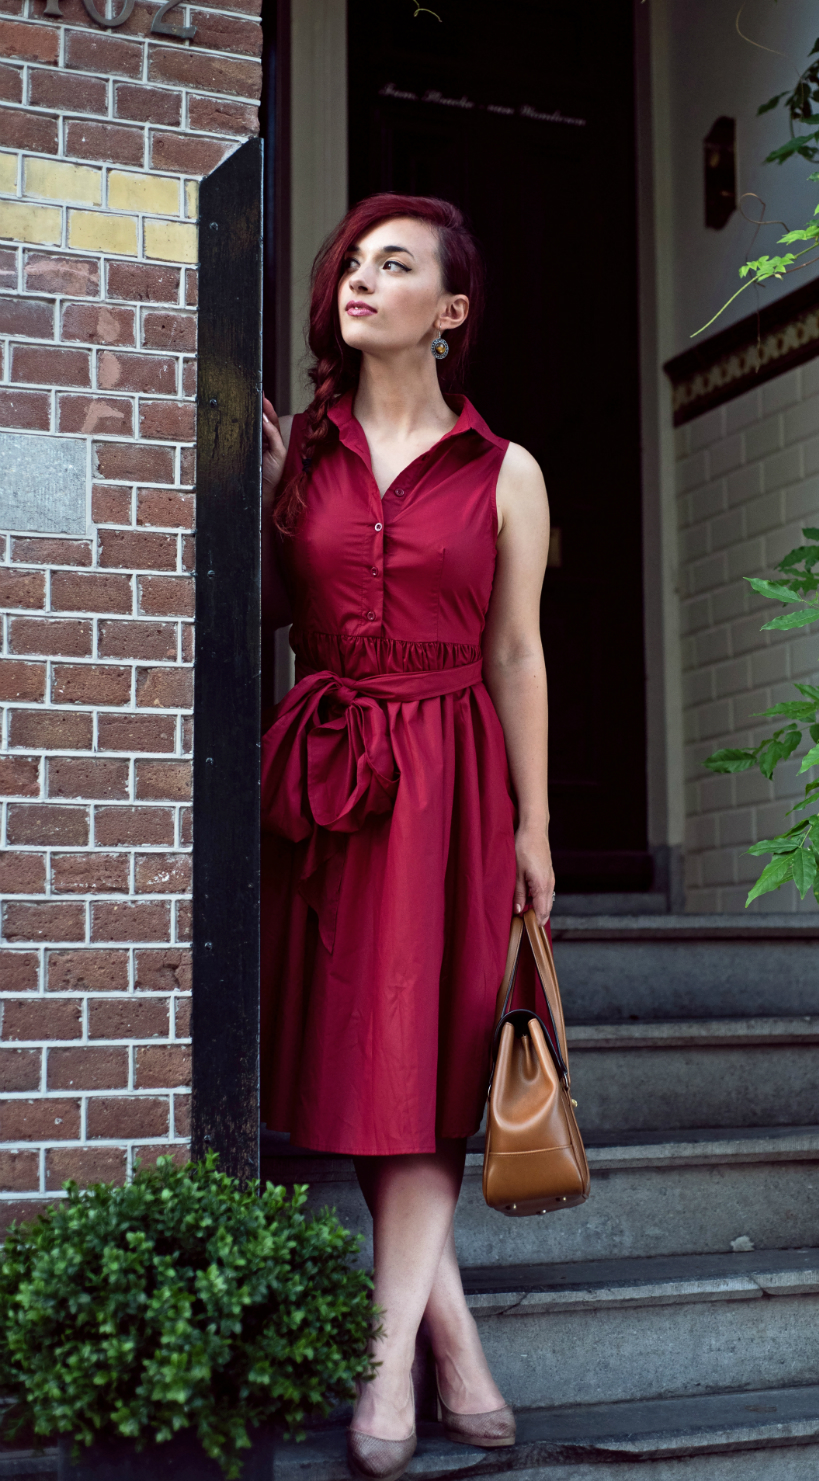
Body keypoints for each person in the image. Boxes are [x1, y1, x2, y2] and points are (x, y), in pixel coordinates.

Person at [259, 193, 555, 1481]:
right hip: (325, 781)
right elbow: (266, 612)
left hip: (450, 781)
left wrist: (537, 826)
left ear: (452, 312)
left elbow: (516, 652)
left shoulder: (507, 471)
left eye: (395, 266)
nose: (358, 281)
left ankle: (386, 1373)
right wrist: (267, 501)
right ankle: (454, 1341)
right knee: (364, 1059)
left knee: (426, 1065)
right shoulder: (300, 453)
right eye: (352, 264)